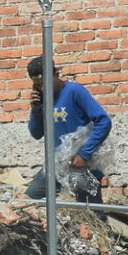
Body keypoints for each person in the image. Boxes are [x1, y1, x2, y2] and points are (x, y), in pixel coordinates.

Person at [25, 56, 112, 204]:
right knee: (29, 198)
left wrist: (84, 154)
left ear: (56, 75)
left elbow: (104, 121)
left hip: (81, 164)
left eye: (45, 82)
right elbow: (36, 133)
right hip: (56, 164)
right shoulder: (44, 99)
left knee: (91, 212)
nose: (42, 88)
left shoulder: (74, 91)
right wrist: (35, 111)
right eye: (38, 85)